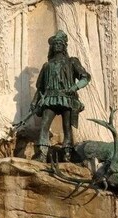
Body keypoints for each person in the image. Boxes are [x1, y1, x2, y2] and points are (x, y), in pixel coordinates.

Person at [30, 30, 91, 162]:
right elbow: (40, 87)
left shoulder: (72, 61)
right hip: (50, 98)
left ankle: (67, 153)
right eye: (55, 43)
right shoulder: (47, 66)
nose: (57, 45)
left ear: (64, 46)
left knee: (67, 127)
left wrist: (75, 87)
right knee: (44, 126)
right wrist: (35, 101)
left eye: (60, 43)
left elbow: (85, 77)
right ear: (52, 47)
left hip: (67, 98)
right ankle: (42, 152)